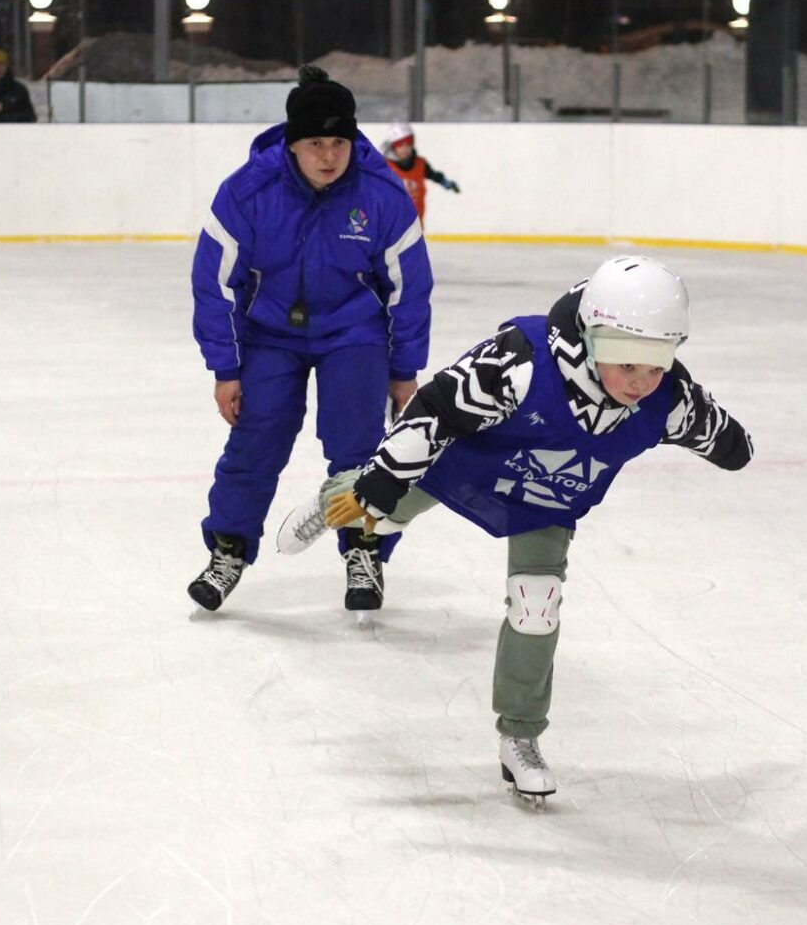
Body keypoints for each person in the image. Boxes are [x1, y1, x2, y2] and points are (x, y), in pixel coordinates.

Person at [271, 256, 753, 802]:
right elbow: (434, 409)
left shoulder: (668, 399)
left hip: (546, 498)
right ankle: (335, 493)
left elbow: (721, 436)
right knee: (378, 513)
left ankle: (519, 738)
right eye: (627, 365)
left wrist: (730, 444)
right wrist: (381, 478)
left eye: (656, 364)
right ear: (592, 340)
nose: (641, 383)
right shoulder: (519, 363)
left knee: (537, 602)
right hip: (466, 461)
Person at [186, 65, 434, 615]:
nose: (329, 156)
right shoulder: (249, 191)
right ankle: (228, 550)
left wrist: (404, 370)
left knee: (357, 447)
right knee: (257, 438)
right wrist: (225, 368)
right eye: (316, 143)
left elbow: (409, 288)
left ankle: (364, 551)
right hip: (271, 334)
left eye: (339, 142)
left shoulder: (381, 195)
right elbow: (213, 281)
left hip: (354, 334)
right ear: (293, 144)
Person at [382, 122, 460, 226]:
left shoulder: (420, 164)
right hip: (392, 226)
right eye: (399, 144)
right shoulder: (384, 167)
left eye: (408, 142)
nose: (405, 148)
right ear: (392, 146)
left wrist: (445, 182)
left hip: (416, 225)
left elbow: (433, 175)